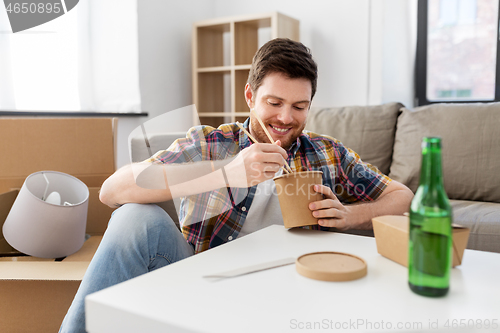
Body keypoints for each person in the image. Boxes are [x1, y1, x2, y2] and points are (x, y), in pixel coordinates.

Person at [60, 38, 413, 332]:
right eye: (274, 103)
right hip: (203, 285)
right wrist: (227, 172)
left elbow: (403, 197)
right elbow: (112, 191)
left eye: (299, 106)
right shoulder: (212, 144)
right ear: (250, 96)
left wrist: (348, 215)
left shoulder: (327, 153)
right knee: (134, 218)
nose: (286, 118)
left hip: (292, 293)